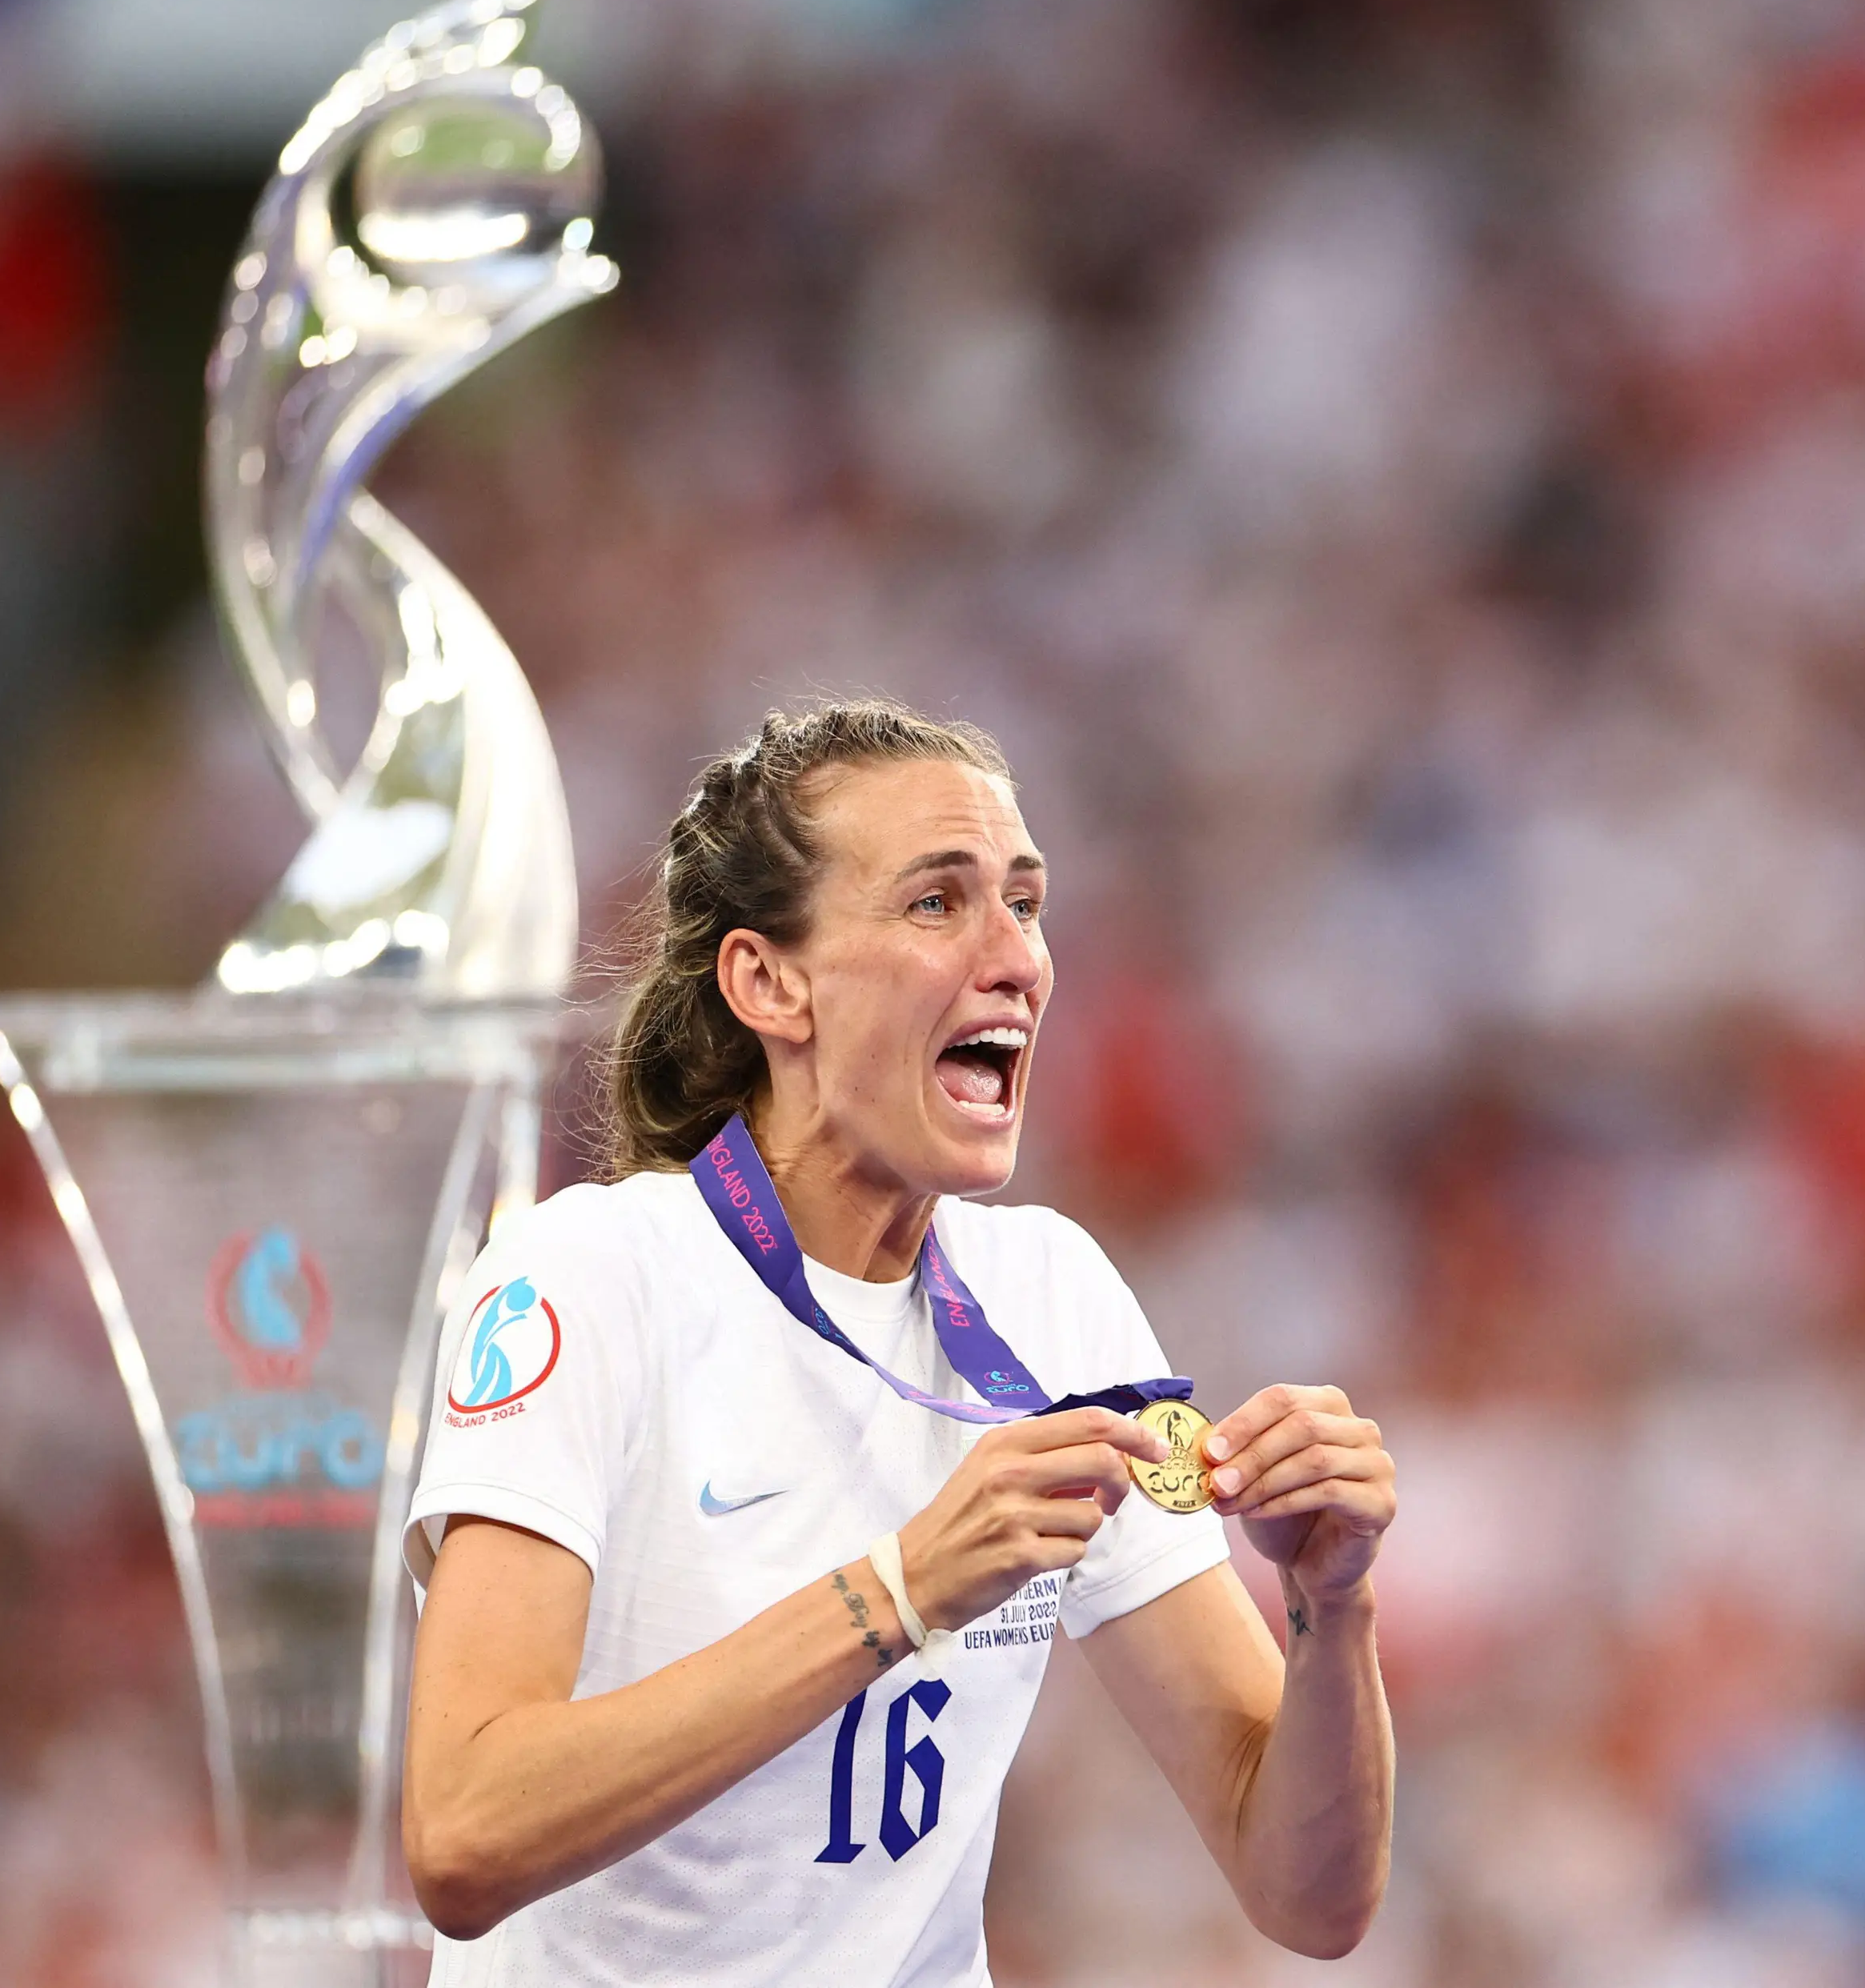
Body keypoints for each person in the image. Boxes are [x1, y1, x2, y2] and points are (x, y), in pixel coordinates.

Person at [401, 699, 1398, 1986]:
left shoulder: (1053, 1298)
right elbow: (464, 1830)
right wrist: (902, 1587)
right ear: (770, 982)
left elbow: (1307, 1895)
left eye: (1025, 904)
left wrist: (1333, 1600)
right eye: (939, 903)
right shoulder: (589, 1280)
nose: (1019, 959)